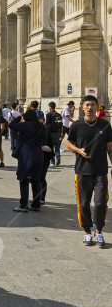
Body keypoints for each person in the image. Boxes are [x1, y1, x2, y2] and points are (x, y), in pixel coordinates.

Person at [67, 95, 112, 248]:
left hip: (100, 171)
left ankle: (98, 231)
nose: (90, 107)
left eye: (93, 105)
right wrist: (78, 150)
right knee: (84, 203)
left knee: (100, 202)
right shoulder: (77, 126)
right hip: (82, 171)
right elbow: (68, 143)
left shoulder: (105, 126)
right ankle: (87, 232)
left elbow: (110, 148)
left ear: (98, 107)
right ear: (82, 107)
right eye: (87, 105)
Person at [9, 109, 44, 212]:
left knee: (23, 179)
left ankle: (23, 205)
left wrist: (20, 116)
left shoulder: (26, 125)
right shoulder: (41, 126)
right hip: (39, 154)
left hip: (26, 154)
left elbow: (11, 125)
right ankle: (36, 204)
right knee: (36, 180)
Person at [45, 102, 63, 166]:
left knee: (51, 147)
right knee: (57, 146)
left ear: (50, 107)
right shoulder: (58, 114)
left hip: (51, 132)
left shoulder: (48, 114)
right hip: (57, 132)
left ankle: (52, 161)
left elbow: (47, 124)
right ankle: (58, 157)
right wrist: (61, 133)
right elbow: (60, 124)